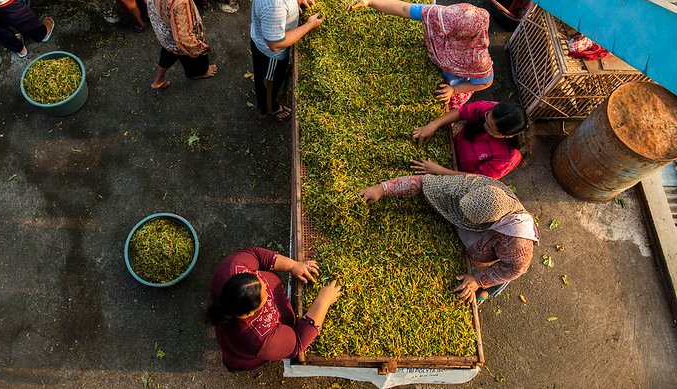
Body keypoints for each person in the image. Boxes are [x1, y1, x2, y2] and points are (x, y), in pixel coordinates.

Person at [358, 173, 538, 303]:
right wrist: (382, 189)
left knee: (482, 282)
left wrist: (479, 280)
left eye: (467, 220)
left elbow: (514, 269)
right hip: (473, 225)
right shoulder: (473, 187)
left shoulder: (517, 245)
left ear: (488, 223)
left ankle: (488, 292)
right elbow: (424, 183)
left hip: (490, 254)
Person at [208, 247, 341, 371]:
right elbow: (298, 343)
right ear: (250, 313)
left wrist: (293, 265)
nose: (265, 286)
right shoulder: (257, 340)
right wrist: (323, 301)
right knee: (237, 358)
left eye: (259, 278)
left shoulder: (231, 269)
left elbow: (256, 255)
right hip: (248, 354)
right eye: (264, 296)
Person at [351, 0, 494, 110]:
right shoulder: (442, 15)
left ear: (459, 36)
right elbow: (404, 8)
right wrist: (369, 1)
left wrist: (454, 89)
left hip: (454, 82)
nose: (440, 26)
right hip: (437, 63)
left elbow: (485, 83)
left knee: (442, 105)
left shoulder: (478, 59)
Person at [250, 0, 323, 120]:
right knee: (269, 82)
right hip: (270, 55)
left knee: (270, 78)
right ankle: (270, 108)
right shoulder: (274, 5)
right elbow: (276, 44)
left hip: (267, 27)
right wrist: (308, 25)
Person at [411, 101, 529, 179]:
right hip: (453, 146)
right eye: (486, 120)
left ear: (507, 136)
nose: (484, 126)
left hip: (457, 172)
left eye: (490, 129)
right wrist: (434, 125)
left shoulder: (508, 157)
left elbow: (475, 179)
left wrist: (439, 170)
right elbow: (461, 112)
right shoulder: (493, 110)